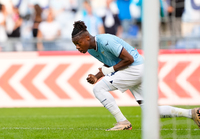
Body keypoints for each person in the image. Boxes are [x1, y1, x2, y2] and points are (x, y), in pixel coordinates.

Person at [71, 20, 200, 131]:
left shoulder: (105, 41)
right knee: (152, 112)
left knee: (98, 89)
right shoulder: (91, 50)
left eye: (78, 43)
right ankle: (193, 113)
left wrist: (106, 72)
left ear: (87, 38)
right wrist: (97, 76)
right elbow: (110, 64)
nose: (77, 47)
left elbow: (129, 59)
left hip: (135, 68)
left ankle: (123, 122)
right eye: (75, 45)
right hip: (135, 71)